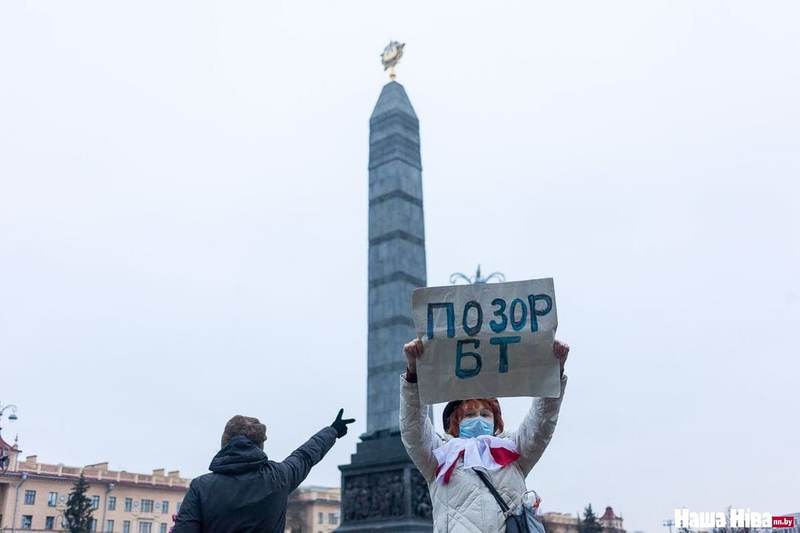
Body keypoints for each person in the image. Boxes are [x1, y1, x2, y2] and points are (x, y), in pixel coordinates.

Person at [400, 338, 569, 532]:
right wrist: (413, 375)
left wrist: (554, 372)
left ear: (495, 420)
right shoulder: (440, 457)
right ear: (455, 423)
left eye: (485, 414)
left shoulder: (513, 451)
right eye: (470, 415)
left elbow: (542, 421)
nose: (479, 419)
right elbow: (413, 429)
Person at [172, 409, 354, 532]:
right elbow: (305, 455)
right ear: (260, 446)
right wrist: (333, 431)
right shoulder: (279, 477)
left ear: (224, 443)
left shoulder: (201, 487)